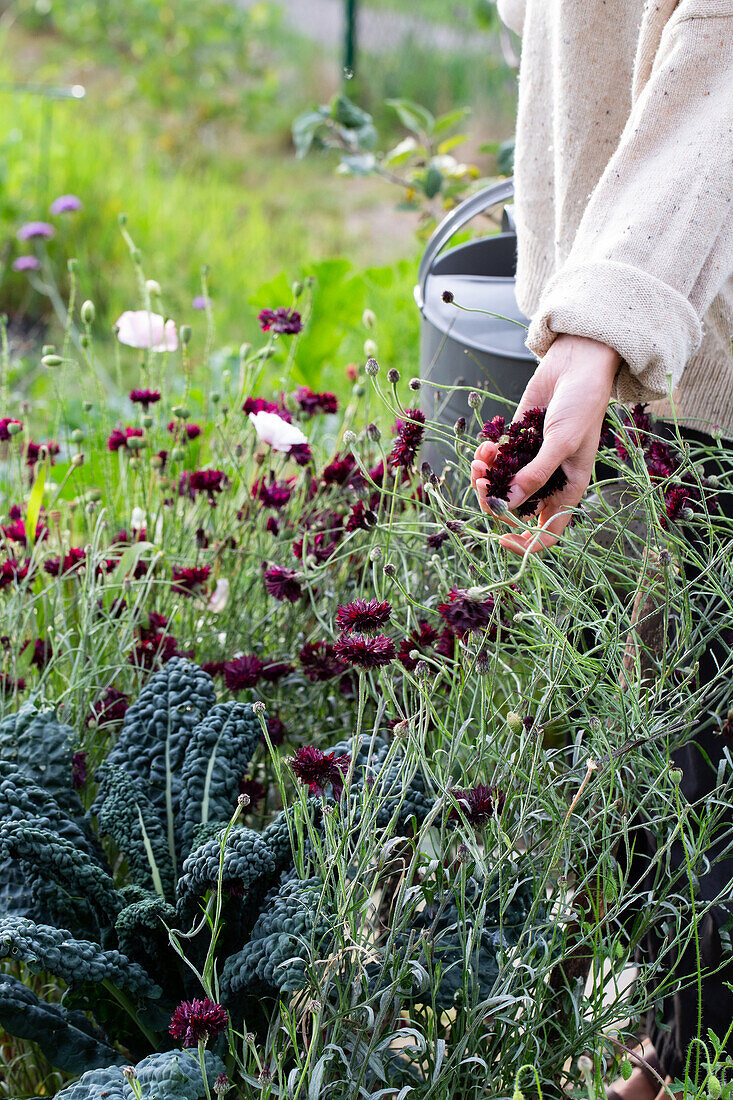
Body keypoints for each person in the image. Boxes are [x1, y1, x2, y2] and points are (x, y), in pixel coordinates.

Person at [470, 0, 733, 1094]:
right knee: (653, 719)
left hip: (684, 350)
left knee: (700, 731)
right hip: (632, 338)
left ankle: (688, 1058)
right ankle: (676, 1043)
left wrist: (595, 328)